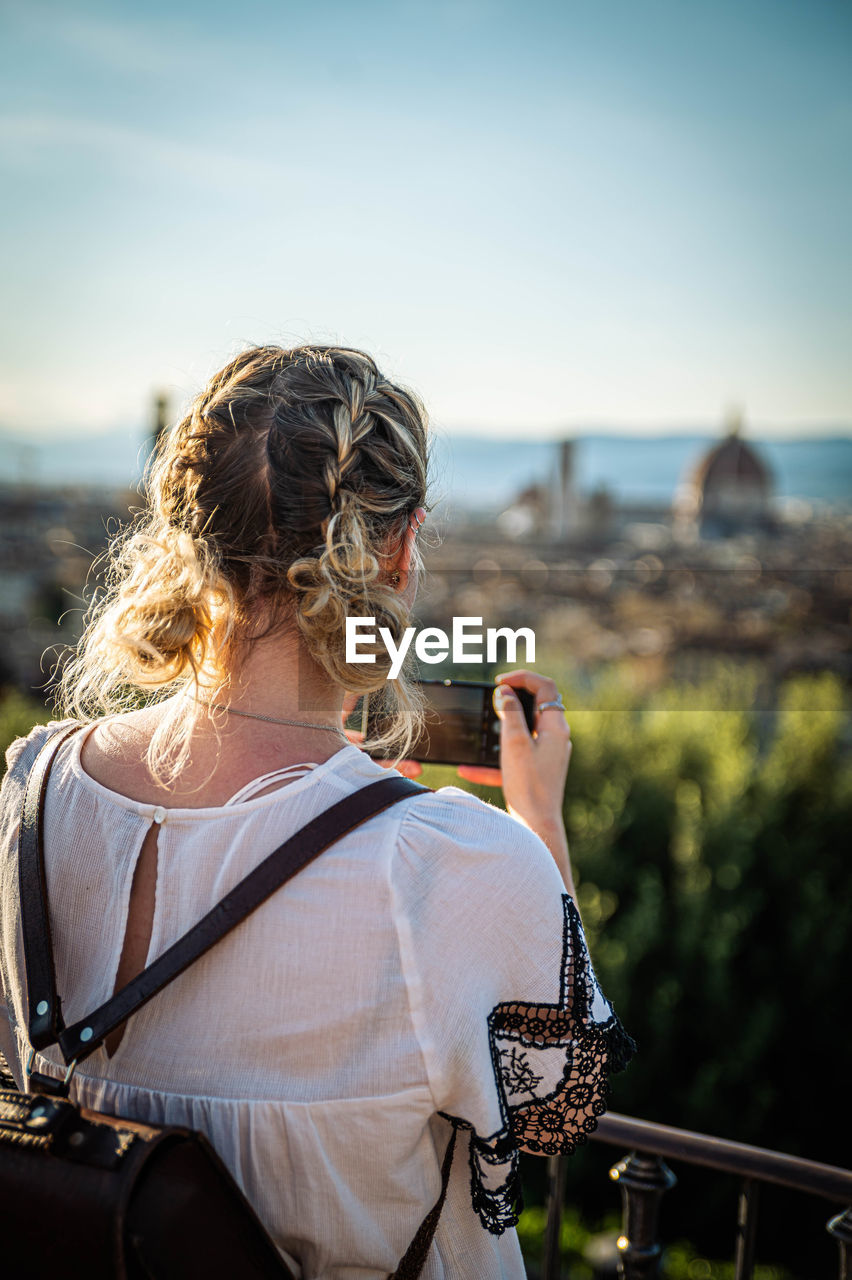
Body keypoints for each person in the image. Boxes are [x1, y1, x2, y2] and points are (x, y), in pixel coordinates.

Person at [0, 345, 634, 1278]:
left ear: (187, 533)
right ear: (398, 550)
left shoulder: (30, 789)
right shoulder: (447, 868)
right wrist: (539, 824)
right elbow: (552, 1113)